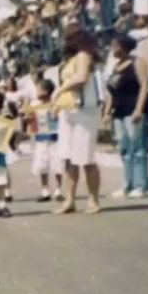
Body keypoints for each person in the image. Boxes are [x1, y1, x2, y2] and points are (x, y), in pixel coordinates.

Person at [53, 27, 103, 214]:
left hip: (84, 110)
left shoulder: (84, 55)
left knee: (86, 157)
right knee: (67, 158)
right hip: (69, 110)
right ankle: (70, 200)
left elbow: (81, 77)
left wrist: (60, 89)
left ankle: (93, 199)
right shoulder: (68, 60)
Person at [104, 33, 148, 198]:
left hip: (133, 108)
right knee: (124, 148)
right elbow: (110, 91)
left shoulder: (137, 62)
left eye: (115, 45)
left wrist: (139, 109)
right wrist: (107, 111)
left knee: (137, 147)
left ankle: (141, 185)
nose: (113, 49)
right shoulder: (115, 66)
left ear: (124, 46)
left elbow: (144, 85)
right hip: (118, 111)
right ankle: (127, 184)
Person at [26, 83, 64, 202]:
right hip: (40, 139)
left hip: (55, 139)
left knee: (58, 165)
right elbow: (29, 119)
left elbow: (60, 118)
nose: (37, 92)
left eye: (39, 89)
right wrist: (28, 119)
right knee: (42, 166)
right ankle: (45, 190)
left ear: (47, 91)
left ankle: (58, 190)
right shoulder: (34, 104)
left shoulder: (55, 104)